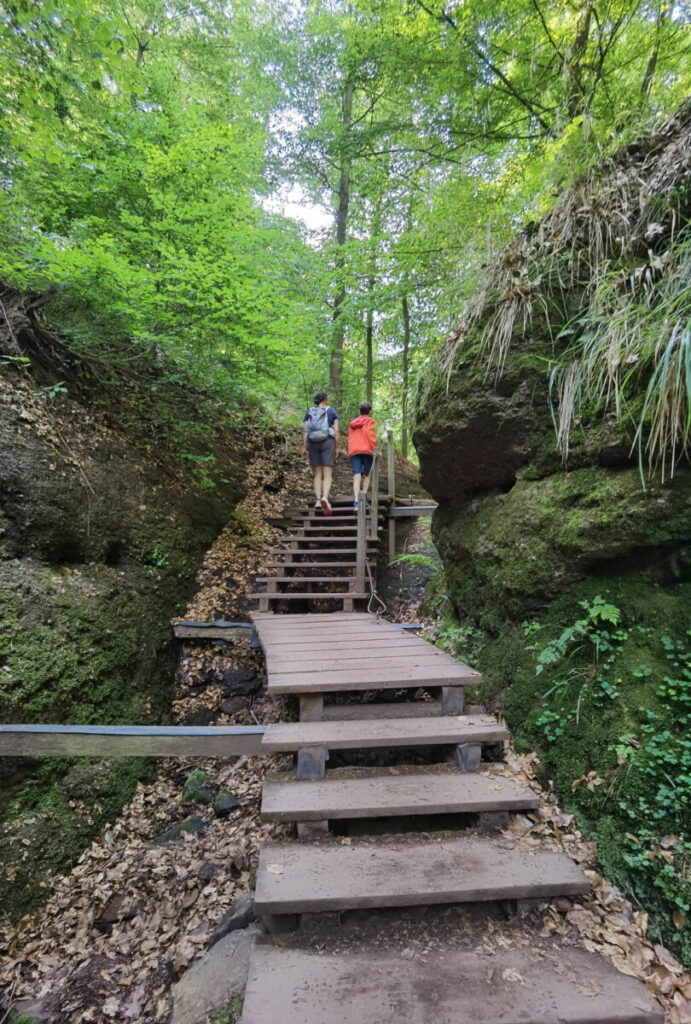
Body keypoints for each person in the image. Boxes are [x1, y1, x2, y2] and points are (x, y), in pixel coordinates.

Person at [303, 390, 340, 515]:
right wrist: (337, 448)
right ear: (325, 399)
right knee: (327, 473)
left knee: (317, 473)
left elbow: (305, 431)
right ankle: (325, 497)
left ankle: (318, 500)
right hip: (327, 442)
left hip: (313, 443)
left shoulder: (309, 411)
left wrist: (304, 447)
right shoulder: (331, 411)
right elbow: (337, 430)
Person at [347, 401, 377, 509]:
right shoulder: (370, 421)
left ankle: (356, 500)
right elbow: (370, 435)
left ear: (360, 411)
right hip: (366, 450)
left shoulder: (352, 423)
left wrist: (350, 450)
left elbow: (350, 438)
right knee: (368, 474)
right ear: (369, 411)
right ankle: (363, 496)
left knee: (356, 474)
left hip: (354, 450)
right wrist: (375, 448)